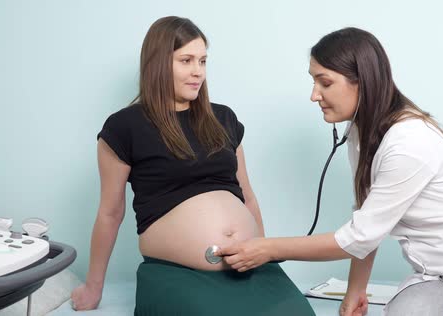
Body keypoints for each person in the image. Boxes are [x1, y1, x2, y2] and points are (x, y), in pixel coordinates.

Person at [216, 27, 443, 316]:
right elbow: (368, 221)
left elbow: (359, 237)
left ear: (361, 82)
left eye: (325, 82)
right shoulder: (362, 135)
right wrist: (354, 293)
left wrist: (267, 248)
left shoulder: (408, 141)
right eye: (313, 81)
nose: (314, 95)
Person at [70, 16, 315, 316]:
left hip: (248, 265)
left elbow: (247, 196)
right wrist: (94, 288)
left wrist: (261, 252)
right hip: (177, 270)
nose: (197, 72)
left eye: (202, 61)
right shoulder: (124, 126)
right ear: (158, 63)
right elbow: (110, 212)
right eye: (186, 60)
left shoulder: (223, 118)